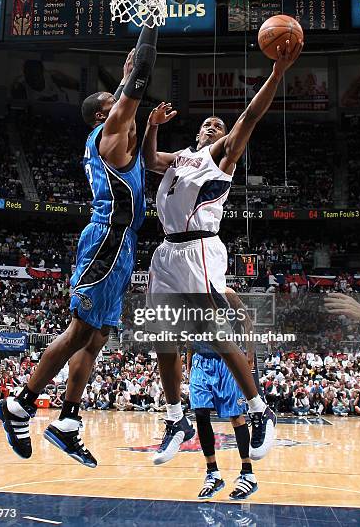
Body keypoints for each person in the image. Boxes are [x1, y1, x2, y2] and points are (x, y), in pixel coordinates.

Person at [0, 22, 159, 467]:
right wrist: (150, 19)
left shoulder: (114, 135)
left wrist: (126, 73)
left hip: (121, 244)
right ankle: (20, 405)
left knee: (97, 336)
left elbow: (132, 84)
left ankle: (68, 421)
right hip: (107, 238)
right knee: (78, 332)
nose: (122, 106)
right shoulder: (109, 138)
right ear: (100, 117)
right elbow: (140, 78)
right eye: (114, 104)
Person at [142, 39, 302, 465]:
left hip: (199, 248)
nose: (214, 127)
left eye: (219, 125)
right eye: (208, 124)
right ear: (197, 132)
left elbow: (249, 116)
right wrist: (152, 124)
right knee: (162, 335)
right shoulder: (180, 159)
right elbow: (147, 159)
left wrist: (276, 75)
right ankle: (176, 418)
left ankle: (258, 409)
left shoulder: (221, 158)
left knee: (213, 329)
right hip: (167, 251)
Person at [187, 289, 258, 500]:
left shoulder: (227, 292)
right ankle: (213, 473)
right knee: (200, 413)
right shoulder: (190, 292)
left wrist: (249, 358)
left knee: (236, 416)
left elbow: (247, 324)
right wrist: (189, 362)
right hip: (201, 360)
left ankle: (248, 474)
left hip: (227, 360)